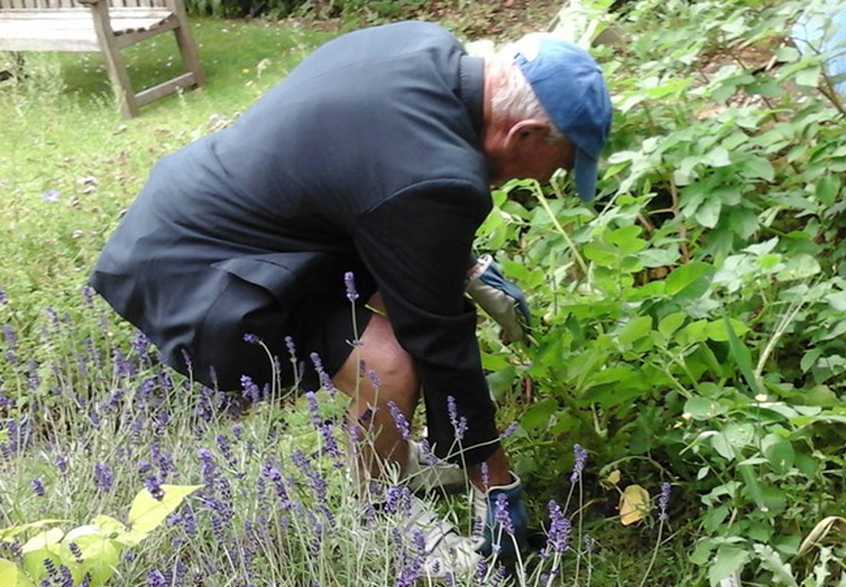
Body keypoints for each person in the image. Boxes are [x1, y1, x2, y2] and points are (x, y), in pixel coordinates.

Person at [88, 21, 612, 575]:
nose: (543, 181)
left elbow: (370, 183)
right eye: (556, 166)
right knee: (389, 361)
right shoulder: (435, 178)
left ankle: (397, 459)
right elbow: (438, 337)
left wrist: (464, 265)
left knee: (401, 312)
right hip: (204, 280)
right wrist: (494, 477)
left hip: (199, 218)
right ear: (523, 134)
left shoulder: (418, 45)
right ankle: (381, 516)